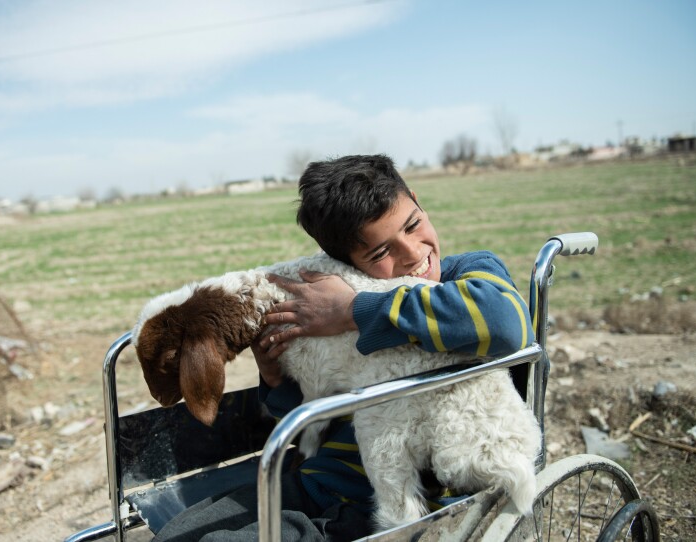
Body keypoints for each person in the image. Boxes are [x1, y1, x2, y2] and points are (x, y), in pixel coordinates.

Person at [152, 154, 533, 542]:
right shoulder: (324, 303)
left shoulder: (468, 273)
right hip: (315, 483)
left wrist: (354, 309)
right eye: (380, 253)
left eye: (413, 224)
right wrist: (275, 377)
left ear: (418, 201)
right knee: (176, 534)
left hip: (395, 504)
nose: (413, 254)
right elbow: (310, 424)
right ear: (342, 263)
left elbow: (507, 324)